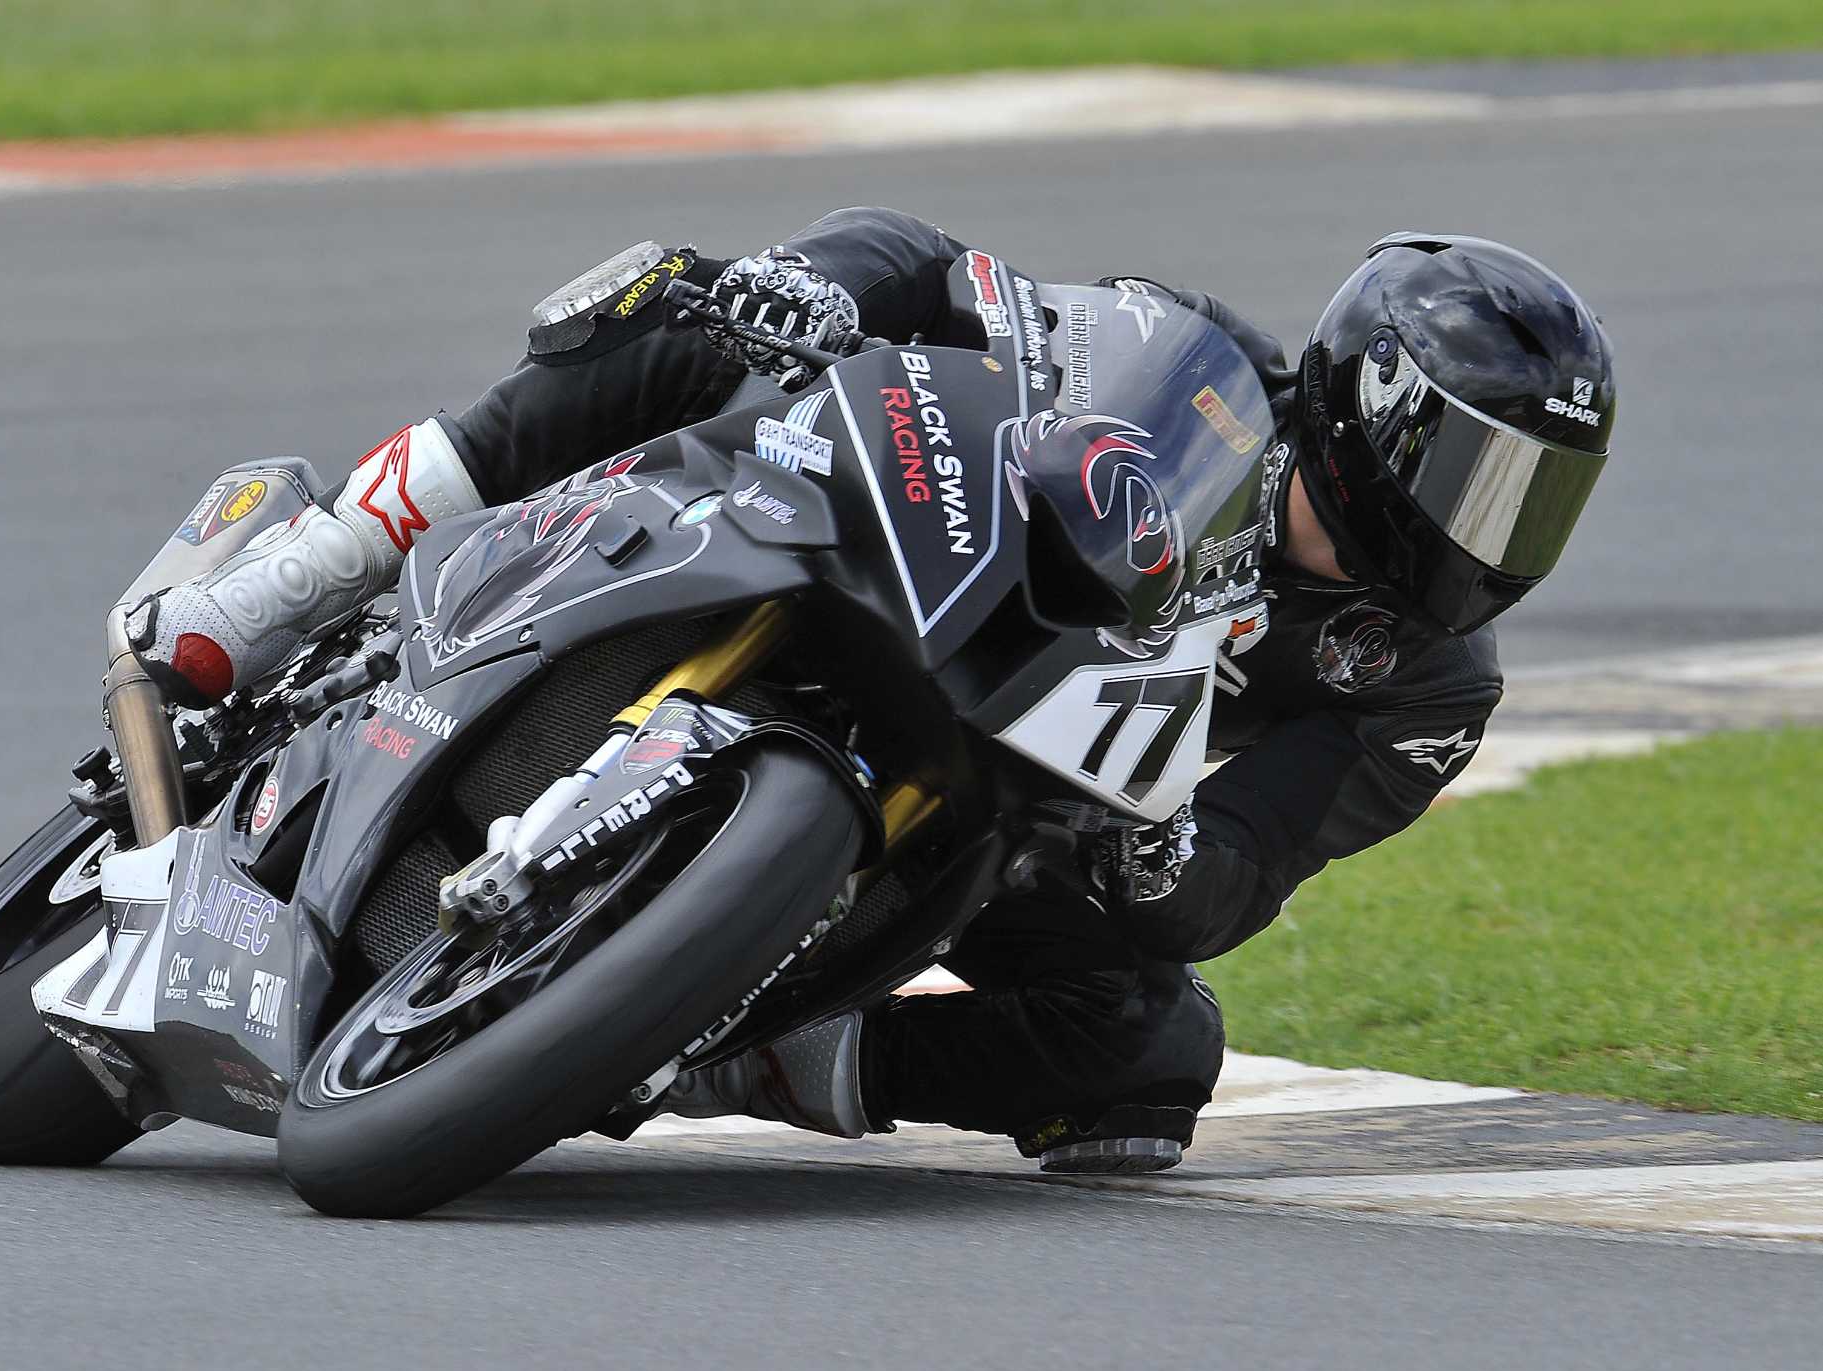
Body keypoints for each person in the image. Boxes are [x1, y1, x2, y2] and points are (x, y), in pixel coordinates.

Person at [128, 209, 1616, 1172]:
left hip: (1027, 809)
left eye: (1533, 500)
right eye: (1478, 477)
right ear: (1371, 413)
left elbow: (1249, 862)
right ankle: (316, 567)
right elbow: (940, 272)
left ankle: (727, 1049)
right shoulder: (1203, 366)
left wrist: (1161, 858)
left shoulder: (1423, 689)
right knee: (681, 309)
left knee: (1150, 1055)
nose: (1493, 534)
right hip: (889, 553)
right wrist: (814, 292)